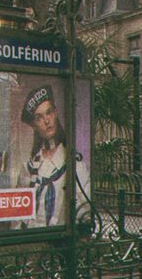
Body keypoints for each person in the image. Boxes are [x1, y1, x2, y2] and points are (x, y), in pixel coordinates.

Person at [15, 84, 90, 227]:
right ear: (34, 125)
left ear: (55, 113)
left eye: (49, 112)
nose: (46, 121)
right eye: (39, 117)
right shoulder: (27, 169)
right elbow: (19, 216)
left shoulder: (75, 164)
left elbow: (84, 212)